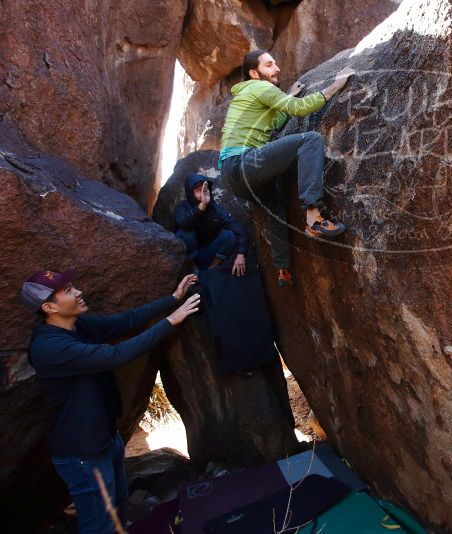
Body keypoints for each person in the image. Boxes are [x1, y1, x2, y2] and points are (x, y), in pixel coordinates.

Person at [22, 268, 200, 533]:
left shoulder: (77, 325)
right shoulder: (49, 347)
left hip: (105, 439)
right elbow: (115, 355)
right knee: (99, 525)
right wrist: (171, 321)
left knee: (117, 506)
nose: (79, 292)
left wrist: (172, 298)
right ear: (49, 307)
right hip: (82, 453)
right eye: (69, 291)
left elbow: (124, 320)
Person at [218, 49, 354, 286]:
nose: (277, 68)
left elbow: (277, 121)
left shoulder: (249, 94)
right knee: (310, 139)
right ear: (254, 72)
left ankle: (282, 269)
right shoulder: (260, 87)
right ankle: (314, 216)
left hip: (233, 176)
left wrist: (288, 95)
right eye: (269, 65)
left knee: (275, 208)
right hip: (244, 163)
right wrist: (335, 86)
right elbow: (299, 109)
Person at [174, 173, 248, 276]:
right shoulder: (183, 207)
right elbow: (183, 223)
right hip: (188, 257)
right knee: (185, 232)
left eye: (205, 190)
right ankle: (192, 270)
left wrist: (241, 253)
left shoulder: (216, 208)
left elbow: (237, 228)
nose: (203, 193)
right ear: (191, 193)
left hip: (207, 253)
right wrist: (201, 206)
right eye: (199, 191)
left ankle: (209, 271)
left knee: (229, 236)